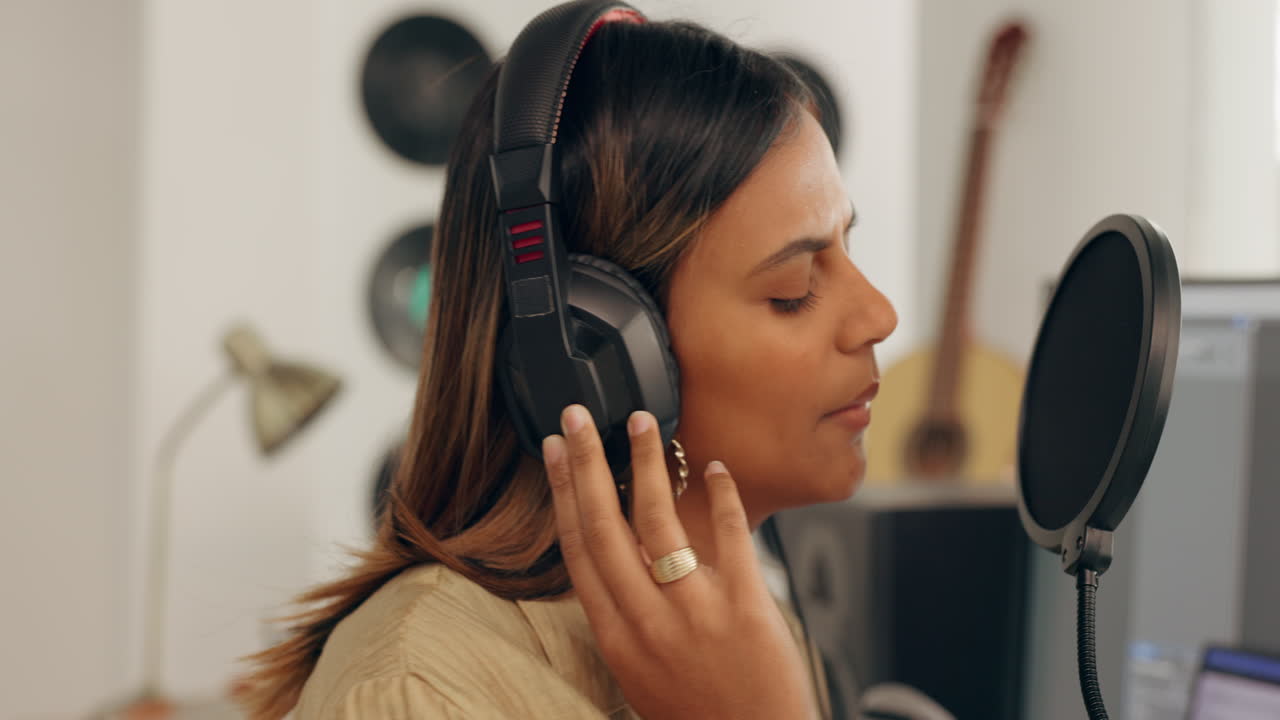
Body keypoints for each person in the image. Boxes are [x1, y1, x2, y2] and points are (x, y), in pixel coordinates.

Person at [238, 3, 897, 718]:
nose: (880, 315)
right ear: (598, 354)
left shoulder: (747, 632)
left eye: (849, 248)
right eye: (795, 289)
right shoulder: (420, 693)